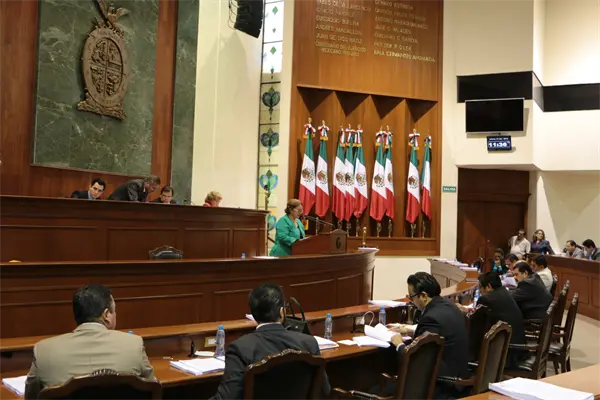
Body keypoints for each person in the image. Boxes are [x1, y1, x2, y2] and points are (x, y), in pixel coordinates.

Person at [24, 285, 154, 399]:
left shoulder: (44, 351)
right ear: (106, 315)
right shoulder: (134, 344)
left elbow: (31, 396)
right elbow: (151, 389)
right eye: (114, 311)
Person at [210, 284, 330, 400]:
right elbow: (324, 391)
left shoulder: (240, 348)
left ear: (253, 315)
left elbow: (228, 397)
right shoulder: (309, 343)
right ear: (282, 312)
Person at [389, 272, 469, 400]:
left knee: (378, 388)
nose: (411, 301)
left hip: (442, 386)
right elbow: (439, 332)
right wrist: (411, 331)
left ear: (423, 296)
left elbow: (417, 361)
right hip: (458, 377)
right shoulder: (450, 306)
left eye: (411, 297)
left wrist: (399, 344)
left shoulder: (430, 318)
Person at [474, 271, 526, 367]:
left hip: (506, 353)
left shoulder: (486, 299)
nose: (480, 291)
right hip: (519, 350)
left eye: (480, 287)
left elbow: (476, 323)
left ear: (488, 287)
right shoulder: (504, 292)